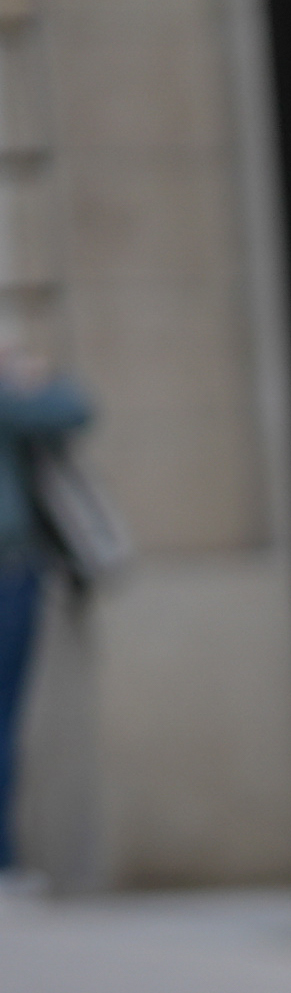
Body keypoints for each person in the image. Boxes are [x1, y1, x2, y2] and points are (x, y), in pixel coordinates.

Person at [0, 359, 94, 880]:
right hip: (7, 573)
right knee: (2, 718)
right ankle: (2, 858)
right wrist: (33, 376)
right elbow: (74, 410)